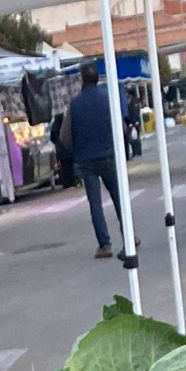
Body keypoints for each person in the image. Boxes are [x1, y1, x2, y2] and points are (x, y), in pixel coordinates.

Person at [66, 60, 129, 261]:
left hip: (86, 160)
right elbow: (122, 128)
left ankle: (104, 244)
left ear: (82, 79)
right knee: (119, 197)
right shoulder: (109, 100)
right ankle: (129, 235)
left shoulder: (74, 105)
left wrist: (74, 151)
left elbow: (65, 136)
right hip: (109, 155)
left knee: (95, 203)